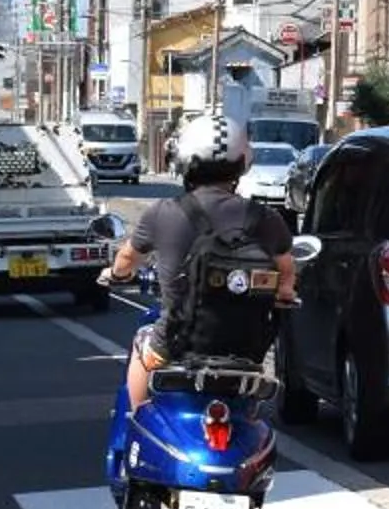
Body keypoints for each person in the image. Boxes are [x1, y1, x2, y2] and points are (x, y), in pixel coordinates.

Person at [99, 110, 297, 417]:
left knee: (142, 345)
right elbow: (286, 271)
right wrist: (285, 293)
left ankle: (138, 421)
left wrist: (114, 274)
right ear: (243, 164)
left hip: (177, 345)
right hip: (247, 349)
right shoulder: (267, 219)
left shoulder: (162, 212)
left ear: (183, 160)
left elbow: (127, 258)